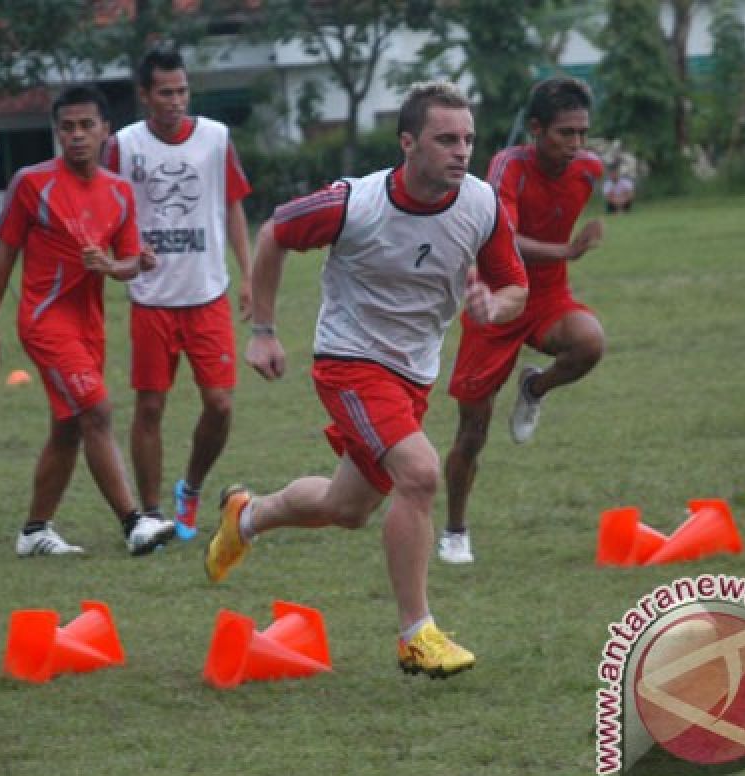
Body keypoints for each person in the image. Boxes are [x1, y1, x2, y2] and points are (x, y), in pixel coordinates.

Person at [204, 81, 528, 678]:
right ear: (407, 143)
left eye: (468, 140)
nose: (461, 151)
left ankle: (246, 516)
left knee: (346, 505)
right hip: (348, 362)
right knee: (421, 472)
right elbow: (275, 230)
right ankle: (416, 635)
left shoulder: (482, 204)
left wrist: (494, 307)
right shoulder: (354, 203)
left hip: (412, 374)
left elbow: (515, 286)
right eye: (445, 140)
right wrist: (265, 330)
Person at [0, 85, 176, 558]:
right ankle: (135, 524)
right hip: (45, 322)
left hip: (89, 327)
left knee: (68, 428)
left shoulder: (120, 192)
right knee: (98, 411)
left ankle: (34, 531)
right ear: (57, 133)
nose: (77, 135)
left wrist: (118, 265)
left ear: (106, 130)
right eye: (67, 127)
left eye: (87, 126)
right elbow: (3, 256)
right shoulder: (32, 183)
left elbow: (127, 263)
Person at [440, 76, 605, 565]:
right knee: (473, 430)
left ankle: (534, 389)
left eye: (582, 133)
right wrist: (568, 249)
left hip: (548, 296)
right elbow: (502, 237)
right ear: (535, 129)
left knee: (590, 342)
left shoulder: (588, 170)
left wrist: (564, 255)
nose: (576, 145)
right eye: (565, 133)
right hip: (497, 300)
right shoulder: (507, 166)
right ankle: (455, 530)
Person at [104, 47, 254, 541]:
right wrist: (123, 255)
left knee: (221, 405)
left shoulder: (215, 138)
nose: (175, 101)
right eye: (165, 92)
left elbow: (233, 207)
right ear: (145, 95)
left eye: (182, 91)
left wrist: (248, 274)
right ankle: (150, 515)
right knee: (149, 407)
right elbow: (108, 211)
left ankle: (189, 488)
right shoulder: (123, 145)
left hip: (207, 293)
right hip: (150, 298)